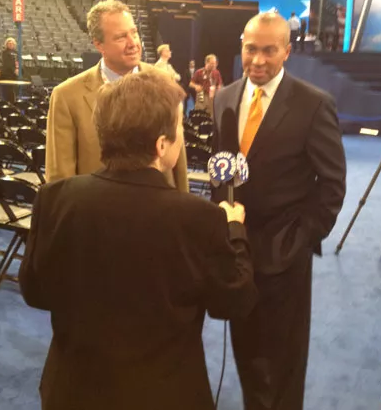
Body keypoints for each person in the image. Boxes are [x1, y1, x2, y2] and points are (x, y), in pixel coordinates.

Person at [19, 71, 257, 410]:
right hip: (163, 395)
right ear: (161, 145)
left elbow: (35, 291)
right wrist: (235, 230)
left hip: (72, 392)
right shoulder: (198, 217)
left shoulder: (54, 198)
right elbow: (234, 301)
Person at [212, 12, 346, 410]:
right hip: (236, 250)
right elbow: (224, 166)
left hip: (286, 256)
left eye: (269, 50)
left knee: (283, 363)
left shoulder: (313, 104)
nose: (258, 60)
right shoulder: (224, 98)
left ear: (287, 51)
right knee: (246, 350)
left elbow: (332, 185)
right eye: (251, 49)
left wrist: (302, 239)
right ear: (241, 47)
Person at [46, 0, 188, 192]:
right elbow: (59, 180)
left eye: (134, 33)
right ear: (99, 44)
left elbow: (178, 160)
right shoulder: (67, 96)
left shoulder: (164, 82)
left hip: (160, 214)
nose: (133, 44)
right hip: (97, 214)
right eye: (121, 37)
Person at [0, 37, 18, 103]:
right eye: (9, 43)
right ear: (6, 44)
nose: (10, 44)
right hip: (7, 74)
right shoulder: (4, 52)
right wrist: (14, 70)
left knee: (13, 91)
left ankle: (13, 103)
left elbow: (18, 62)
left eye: (12, 43)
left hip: (14, 75)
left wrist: (18, 69)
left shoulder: (16, 52)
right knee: (8, 91)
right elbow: (8, 63)